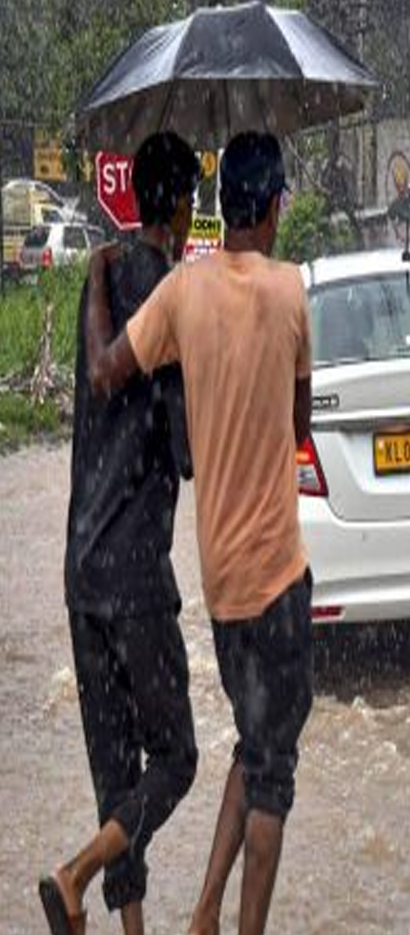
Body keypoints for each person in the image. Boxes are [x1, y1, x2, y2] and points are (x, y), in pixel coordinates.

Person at [85, 131, 314, 935]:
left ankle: (205, 913)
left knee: (253, 742)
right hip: (279, 577)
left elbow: (109, 367)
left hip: (218, 586)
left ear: (217, 207)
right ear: (275, 204)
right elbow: (299, 424)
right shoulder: (290, 292)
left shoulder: (183, 291)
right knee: (274, 771)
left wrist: (98, 281)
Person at [39, 132, 201, 935]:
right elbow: (187, 452)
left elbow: (100, 384)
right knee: (177, 759)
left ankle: (123, 924)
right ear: (180, 205)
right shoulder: (172, 298)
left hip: (81, 567)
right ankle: (75, 870)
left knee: (116, 767)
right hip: (137, 574)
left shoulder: (97, 283)